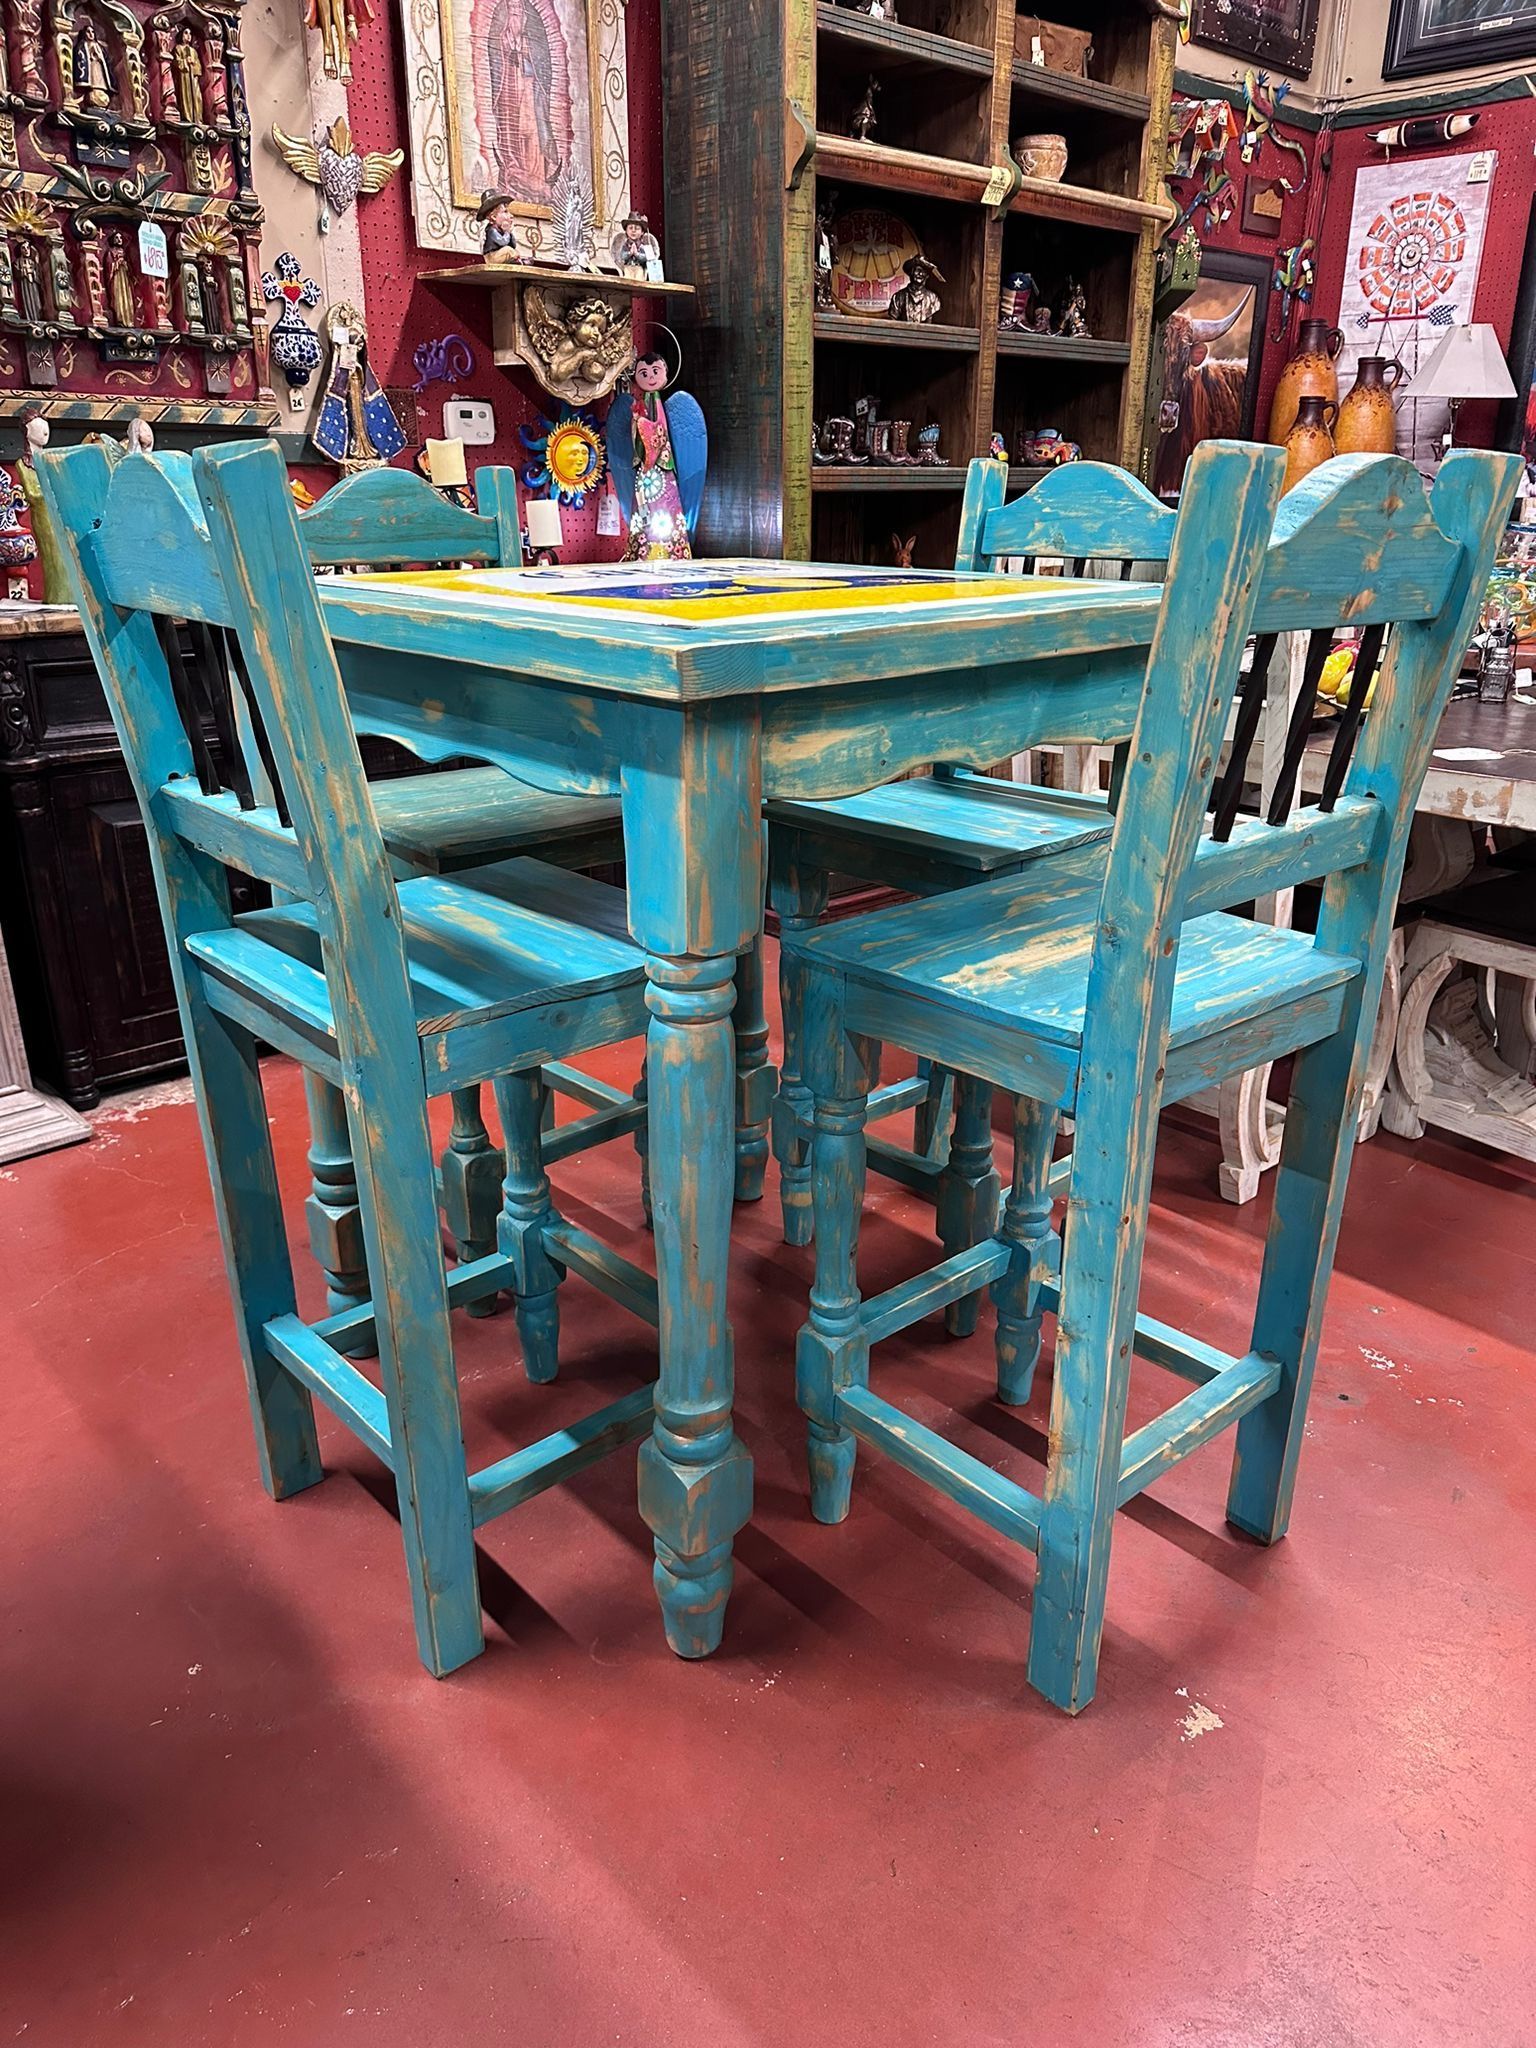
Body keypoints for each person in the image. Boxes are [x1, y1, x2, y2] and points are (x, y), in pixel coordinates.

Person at [477, 190, 523, 262]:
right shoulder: (492, 230)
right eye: (505, 212)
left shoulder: (501, 231)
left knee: (513, 251)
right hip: (491, 257)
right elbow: (502, 242)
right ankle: (517, 261)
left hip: (499, 255)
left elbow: (513, 244)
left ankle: (517, 261)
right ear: (494, 217)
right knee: (508, 250)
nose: (511, 216)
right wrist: (507, 232)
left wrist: (510, 233)